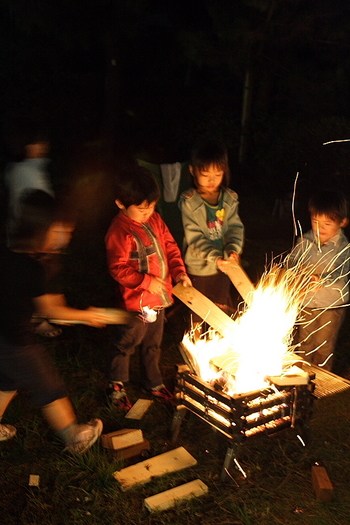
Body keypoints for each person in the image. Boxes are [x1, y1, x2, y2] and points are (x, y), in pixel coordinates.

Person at [0, 190, 111, 452]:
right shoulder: (32, 269)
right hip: (17, 343)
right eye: (61, 230)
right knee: (49, 387)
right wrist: (88, 315)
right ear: (44, 230)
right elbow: (52, 310)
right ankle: (74, 437)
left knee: (6, 382)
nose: (66, 237)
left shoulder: (8, 253)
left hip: (2, 336)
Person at [105, 165, 191, 410]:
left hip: (159, 299)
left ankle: (151, 381)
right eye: (142, 209)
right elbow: (117, 268)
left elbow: (171, 246)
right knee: (127, 342)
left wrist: (179, 272)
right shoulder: (119, 231)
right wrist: (146, 282)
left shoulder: (155, 219)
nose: (148, 213)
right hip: (135, 303)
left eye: (152, 206)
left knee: (153, 343)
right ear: (121, 203)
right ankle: (116, 384)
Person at [3, 118, 62, 338]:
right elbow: (32, 206)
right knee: (34, 277)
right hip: (30, 234)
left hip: (30, 233)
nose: (44, 145)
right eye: (39, 142)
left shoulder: (23, 169)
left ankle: (35, 317)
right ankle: (34, 319)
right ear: (28, 145)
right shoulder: (26, 172)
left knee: (38, 275)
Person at [178, 139, 244, 331]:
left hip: (224, 267)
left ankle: (215, 347)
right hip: (200, 267)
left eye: (218, 174)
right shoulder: (190, 202)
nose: (212, 180)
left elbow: (235, 228)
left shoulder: (229, 199)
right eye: (205, 174)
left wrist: (232, 250)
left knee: (219, 309)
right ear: (193, 171)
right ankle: (196, 346)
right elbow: (195, 238)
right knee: (198, 311)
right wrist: (215, 258)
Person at [287, 190, 350, 371]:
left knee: (323, 346)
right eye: (316, 222)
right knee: (304, 343)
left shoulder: (343, 248)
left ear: (342, 222)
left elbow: (340, 273)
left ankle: (321, 381)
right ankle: (300, 379)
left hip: (331, 306)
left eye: (327, 223)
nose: (320, 228)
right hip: (307, 302)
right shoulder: (305, 241)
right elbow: (292, 261)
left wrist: (321, 279)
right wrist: (292, 273)